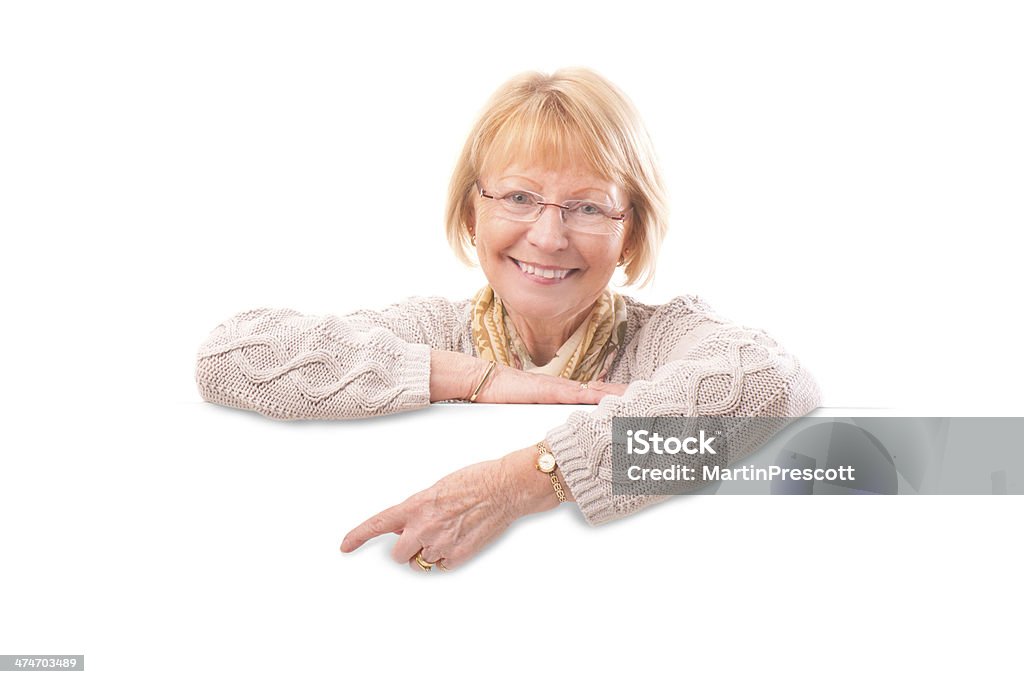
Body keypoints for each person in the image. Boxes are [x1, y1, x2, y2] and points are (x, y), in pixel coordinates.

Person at [194, 67, 821, 573]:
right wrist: (476, 381)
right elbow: (230, 357)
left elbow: (771, 385)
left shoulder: (665, 339)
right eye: (519, 197)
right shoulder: (434, 330)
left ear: (630, 235)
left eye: (586, 206)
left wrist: (515, 485)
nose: (548, 237)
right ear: (473, 215)